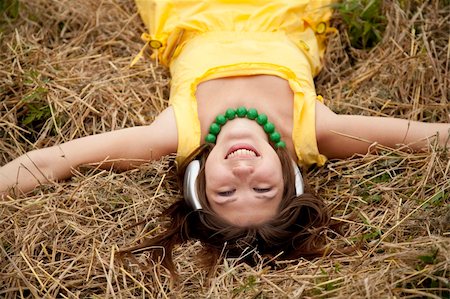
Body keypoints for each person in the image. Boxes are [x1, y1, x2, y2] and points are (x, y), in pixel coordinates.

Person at [1, 0, 449, 277]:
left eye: (225, 190)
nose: (242, 171)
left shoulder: (177, 133)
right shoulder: (313, 131)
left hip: (190, 10)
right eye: (262, 187)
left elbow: (53, 161)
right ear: (289, 176)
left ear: (197, 177)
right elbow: (428, 138)